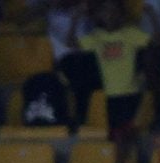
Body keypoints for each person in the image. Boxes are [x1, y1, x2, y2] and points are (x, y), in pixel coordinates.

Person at [68, 0, 158, 163]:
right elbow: (72, 44)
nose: (110, 16)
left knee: (124, 134)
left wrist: (152, 16)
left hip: (131, 93)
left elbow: (156, 41)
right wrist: (76, 18)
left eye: (114, 12)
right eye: (105, 12)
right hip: (112, 96)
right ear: (100, 16)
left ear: (121, 15)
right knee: (119, 135)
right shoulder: (97, 37)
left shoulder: (129, 34)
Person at [23, 0, 102, 129]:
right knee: (80, 66)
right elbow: (19, 20)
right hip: (64, 60)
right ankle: (80, 117)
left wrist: (89, 13)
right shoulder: (51, 15)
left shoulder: (88, 14)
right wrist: (74, 19)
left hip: (88, 57)